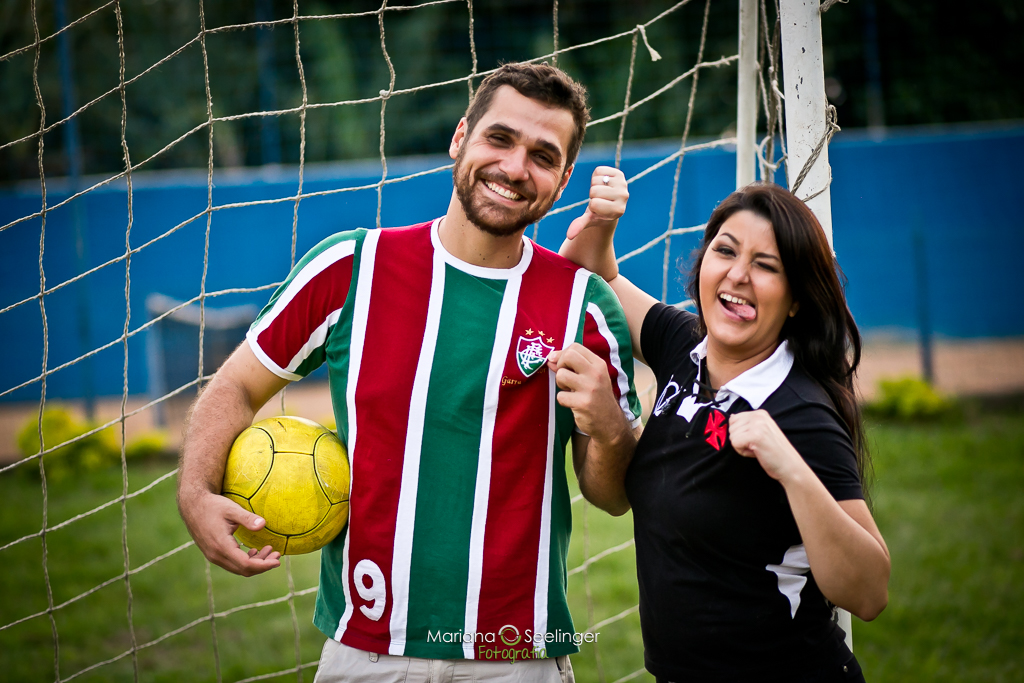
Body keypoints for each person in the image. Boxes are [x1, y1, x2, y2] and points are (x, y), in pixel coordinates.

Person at [176, 62, 643, 682]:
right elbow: (237, 385)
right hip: (365, 651)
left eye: (542, 156)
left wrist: (612, 430)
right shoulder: (350, 268)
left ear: (560, 182)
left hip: (517, 657)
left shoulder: (584, 303)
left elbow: (609, 498)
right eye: (499, 139)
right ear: (460, 138)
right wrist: (196, 489)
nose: (513, 167)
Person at [555, 182, 890, 681]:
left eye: (767, 265)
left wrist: (793, 471)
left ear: (796, 299)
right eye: (726, 251)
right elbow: (590, 274)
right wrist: (603, 222)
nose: (738, 275)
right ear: (703, 264)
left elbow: (868, 592)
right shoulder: (683, 347)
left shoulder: (800, 414)